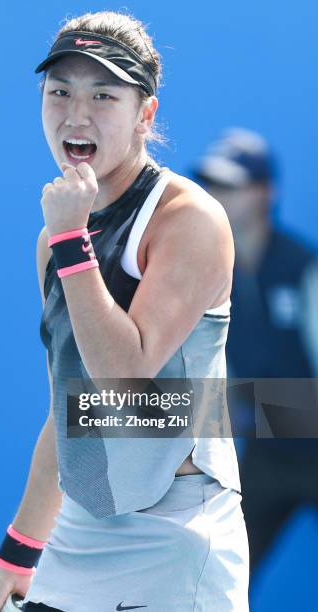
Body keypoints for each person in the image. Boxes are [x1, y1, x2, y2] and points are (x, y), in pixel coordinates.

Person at [0, 12, 249, 612]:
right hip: (78, 533)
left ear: (145, 114)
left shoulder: (190, 219)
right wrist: (20, 551)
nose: (76, 115)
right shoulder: (56, 239)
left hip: (178, 537)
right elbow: (71, 408)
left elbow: (122, 385)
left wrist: (73, 243)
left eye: (103, 95)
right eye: (60, 93)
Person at [191, 127, 318, 583]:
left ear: (267, 192)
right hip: (266, 458)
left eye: (232, 184)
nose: (218, 195)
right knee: (219, 580)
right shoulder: (203, 273)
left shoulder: (305, 267)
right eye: (212, 184)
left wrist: (245, 408)